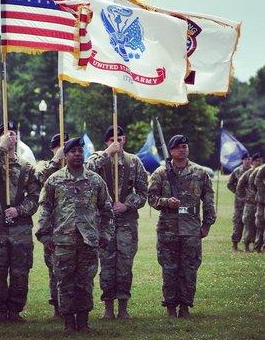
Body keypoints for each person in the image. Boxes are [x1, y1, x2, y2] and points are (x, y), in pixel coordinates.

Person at [36, 137, 114, 332]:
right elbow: (45, 209)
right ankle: (69, 322)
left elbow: (107, 210)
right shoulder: (55, 180)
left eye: (80, 151)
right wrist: (45, 237)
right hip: (63, 242)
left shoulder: (95, 180)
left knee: (85, 282)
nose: (77, 154)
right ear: (66, 154)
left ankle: (84, 321)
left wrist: (105, 235)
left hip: (88, 241)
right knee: (64, 281)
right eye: (73, 151)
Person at [148, 135, 216, 319]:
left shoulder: (200, 172)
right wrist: (165, 202)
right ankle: (170, 306)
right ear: (171, 151)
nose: (182, 150)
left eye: (185, 146)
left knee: (189, 268)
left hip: (191, 227)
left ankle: (185, 306)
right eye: (178, 147)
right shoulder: (160, 173)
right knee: (169, 269)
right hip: (167, 228)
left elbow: (209, 200)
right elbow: (151, 199)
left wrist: (207, 224)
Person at [0, 122, 40, 323]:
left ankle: (15, 310)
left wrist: (19, 210)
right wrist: (1, 150)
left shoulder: (26, 167)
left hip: (20, 227)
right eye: (5, 134)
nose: (10, 137)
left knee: (20, 270)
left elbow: (34, 197)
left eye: (12, 134)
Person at [85, 125, 148, 319]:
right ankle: (108, 307)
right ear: (106, 142)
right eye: (112, 139)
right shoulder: (98, 159)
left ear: (125, 140)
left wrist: (127, 205)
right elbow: (86, 171)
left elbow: (143, 193)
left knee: (124, 265)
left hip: (127, 223)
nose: (116, 142)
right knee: (106, 264)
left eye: (119, 139)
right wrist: (106, 153)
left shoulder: (134, 162)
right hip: (104, 223)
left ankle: (123, 306)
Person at [34, 132, 69, 319]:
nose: (63, 152)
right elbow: (41, 178)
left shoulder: (76, 167)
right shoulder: (43, 165)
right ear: (52, 149)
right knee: (54, 268)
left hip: (72, 225)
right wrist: (57, 159)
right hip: (52, 226)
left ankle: (73, 308)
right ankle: (57, 307)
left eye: (66, 148)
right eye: (59, 148)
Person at [236, 153, 263, 252]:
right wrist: (244, 197)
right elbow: (239, 186)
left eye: (260, 161)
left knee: (260, 226)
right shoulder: (248, 173)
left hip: (261, 204)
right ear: (253, 162)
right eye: (256, 161)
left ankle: (259, 246)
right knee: (249, 225)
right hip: (250, 204)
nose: (259, 162)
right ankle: (247, 246)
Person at [227, 153, 252, 251]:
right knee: (238, 222)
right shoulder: (237, 171)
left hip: (251, 202)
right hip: (239, 203)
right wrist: (238, 192)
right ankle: (235, 244)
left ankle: (248, 244)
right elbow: (229, 184)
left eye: (249, 159)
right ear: (242, 160)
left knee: (250, 223)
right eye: (245, 159)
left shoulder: (253, 171)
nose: (247, 161)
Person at [254, 164, 265, 252]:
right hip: (262, 201)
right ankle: (258, 246)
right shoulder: (262, 169)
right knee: (260, 224)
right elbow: (256, 181)